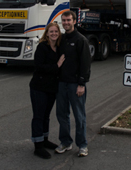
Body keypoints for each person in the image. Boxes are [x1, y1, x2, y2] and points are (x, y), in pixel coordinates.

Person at [55, 10, 91, 157]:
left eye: (69, 20)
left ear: (74, 21)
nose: (66, 23)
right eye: (64, 20)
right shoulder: (60, 39)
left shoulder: (81, 40)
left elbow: (86, 64)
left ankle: (82, 145)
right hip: (61, 84)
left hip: (75, 85)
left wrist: (82, 84)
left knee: (79, 115)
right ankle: (65, 142)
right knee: (62, 115)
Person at [29, 22, 65, 159]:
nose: (54, 34)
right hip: (39, 87)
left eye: (56, 31)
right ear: (47, 33)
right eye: (51, 32)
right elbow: (39, 67)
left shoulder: (59, 48)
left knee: (46, 115)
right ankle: (37, 146)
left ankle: (44, 140)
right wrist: (57, 66)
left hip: (51, 88)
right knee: (38, 115)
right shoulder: (42, 47)